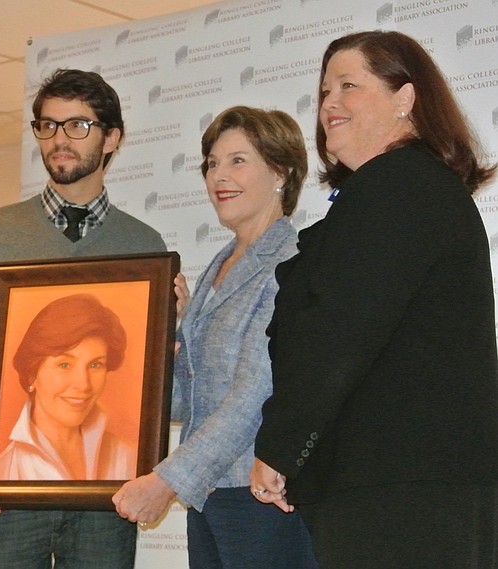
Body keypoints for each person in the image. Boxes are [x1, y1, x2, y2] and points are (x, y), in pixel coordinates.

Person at [250, 30, 498, 569]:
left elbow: (338, 333)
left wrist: (280, 445)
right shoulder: (405, 189)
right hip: (408, 487)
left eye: (349, 86)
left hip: (398, 493)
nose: (328, 104)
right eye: (323, 91)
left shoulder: (397, 187)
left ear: (405, 99)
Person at [0, 68, 184, 569]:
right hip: (6, 491)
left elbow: (148, 371)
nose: (59, 139)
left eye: (78, 126)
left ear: (112, 137)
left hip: (106, 494)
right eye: (47, 126)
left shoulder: (143, 246)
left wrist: (173, 326)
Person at [113, 106, 317, 568]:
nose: (218, 176)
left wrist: (167, 481)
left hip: (262, 496)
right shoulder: (216, 268)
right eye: (212, 163)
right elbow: (188, 402)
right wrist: (163, 337)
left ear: (281, 171)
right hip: (211, 493)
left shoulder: (291, 261)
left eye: (237, 160)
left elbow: (254, 394)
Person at [0, 293, 136, 481]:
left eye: (95, 365)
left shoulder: (128, 459)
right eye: (64, 365)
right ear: (31, 374)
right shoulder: (1, 474)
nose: (83, 384)